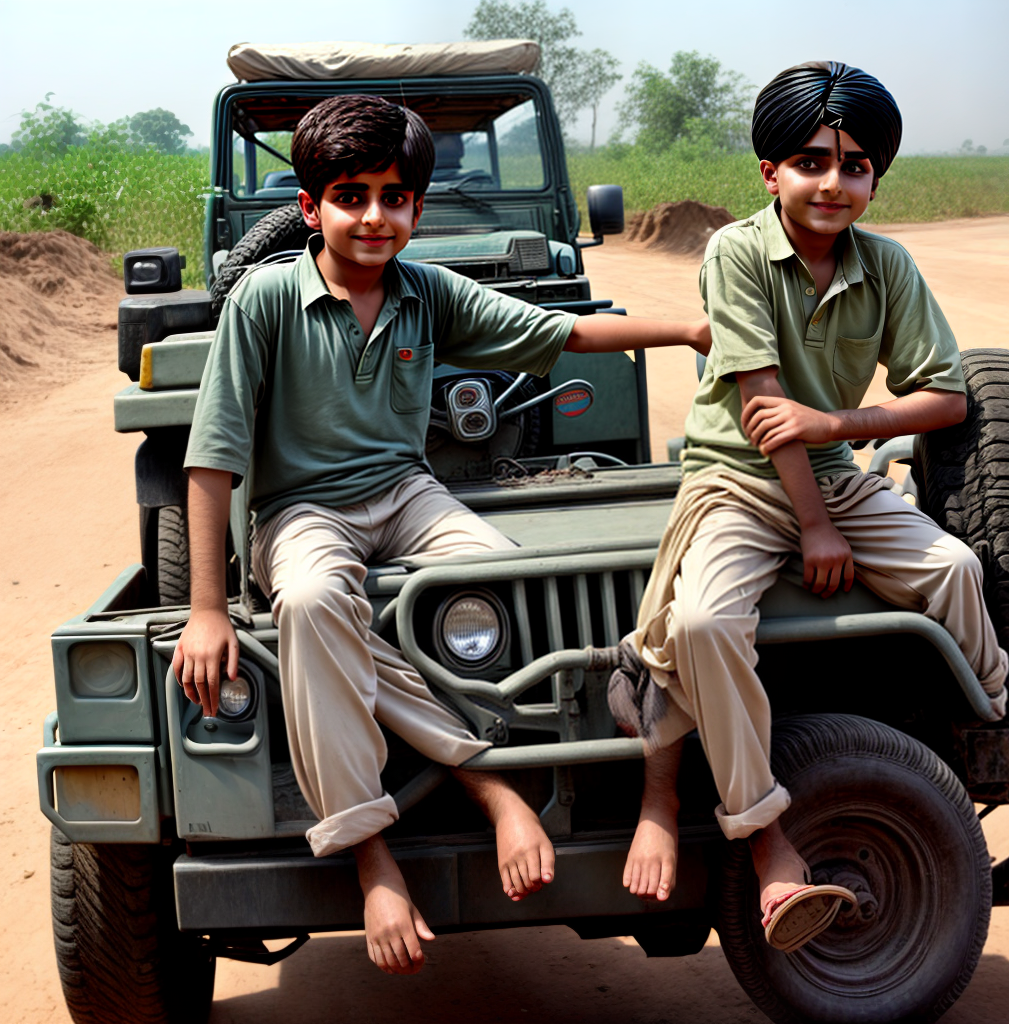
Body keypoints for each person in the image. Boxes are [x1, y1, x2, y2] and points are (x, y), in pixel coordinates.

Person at [171, 93, 711, 976]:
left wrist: (690, 326)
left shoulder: (424, 293)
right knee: (311, 604)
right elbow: (212, 457)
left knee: (509, 585)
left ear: (418, 209)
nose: (373, 217)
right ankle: (392, 844)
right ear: (310, 207)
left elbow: (563, 331)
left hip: (407, 495)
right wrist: (205, 610)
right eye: (351, 196)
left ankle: (560, 781)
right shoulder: (265, 300)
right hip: (301, 511)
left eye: (394, 197)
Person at [608, 61, 1009, 953]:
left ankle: (986, 742)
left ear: (876, 180)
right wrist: (815, 527)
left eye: (855, 166)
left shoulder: (886, 264)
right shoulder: (735, 252)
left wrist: (840, 425)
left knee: (955, 568)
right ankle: (766, 840)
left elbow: (945, 397)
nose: (833, 183)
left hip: (834, 470)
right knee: (701, 623)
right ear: (770, 174)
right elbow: (761, 403)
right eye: (811, 162)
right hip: (736, 481)